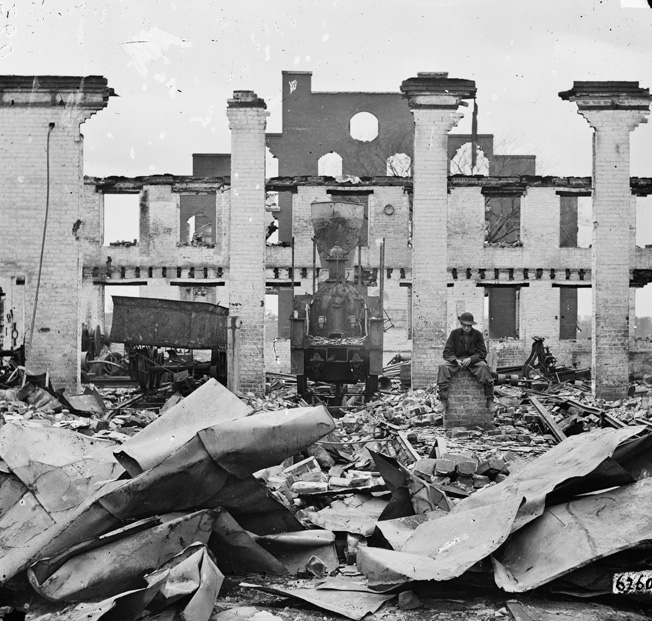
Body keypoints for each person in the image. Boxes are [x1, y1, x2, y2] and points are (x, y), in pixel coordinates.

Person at [436, 312, 495, 413]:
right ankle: (444, 401)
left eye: (469, 326)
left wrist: (471, 359)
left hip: (473, 361)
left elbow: (482, 352)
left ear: (472, 325)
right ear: (461, 324)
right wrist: (455, 360)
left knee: (484, 367)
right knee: (442, 367)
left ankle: (489, 400)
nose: (467, 328)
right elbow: (447, 352)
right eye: (465, 325)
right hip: (457, 360)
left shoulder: (477, 334)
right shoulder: (454, 333)